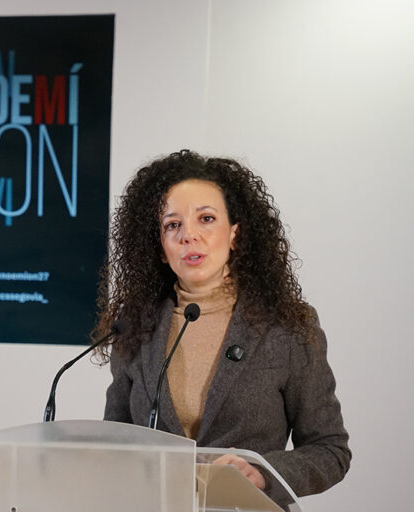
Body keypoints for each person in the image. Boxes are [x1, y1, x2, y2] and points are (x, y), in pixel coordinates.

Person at [94, 150, 350, 500]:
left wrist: (262, 473)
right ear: (160, 247)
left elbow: (330, 450)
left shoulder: (287, 327)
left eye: (206, 219)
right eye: (173, 225)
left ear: (234, 234)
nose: (189, 235)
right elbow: (115, 445)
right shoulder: (134, 327)